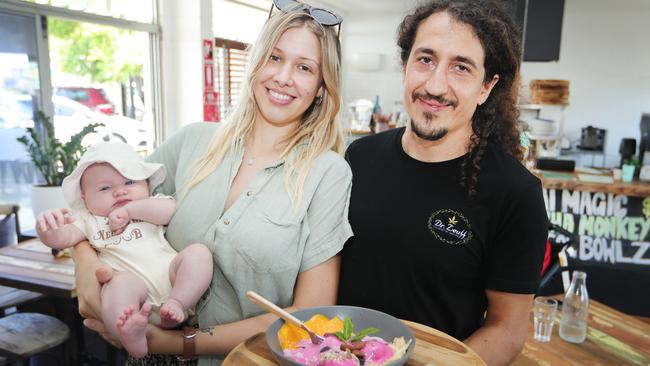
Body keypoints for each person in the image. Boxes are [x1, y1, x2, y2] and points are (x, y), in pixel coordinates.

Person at [73, 2, 351, 365]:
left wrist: (178, 343)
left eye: (304, 67)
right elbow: (101, 200)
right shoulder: (192, 142)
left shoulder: (328, 173)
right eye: (274, 57)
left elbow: (310, 315)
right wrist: (82, 259)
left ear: (320, 86)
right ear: (256, 64)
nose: (283, 77)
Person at [337, 1, 548, 365]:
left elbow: (507, 331)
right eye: (425, 59)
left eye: (461, 68)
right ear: (404, 67)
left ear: (486, 87)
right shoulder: (359, 158)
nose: (435, 85)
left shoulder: (515, 194)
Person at [36, 142, 213, 358]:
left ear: (147, 184)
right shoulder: (89, 220)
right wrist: (47, 228)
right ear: (85, 198)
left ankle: (177, 302)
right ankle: (130, 333)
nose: (120, 192)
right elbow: (64, 238)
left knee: (199, 253)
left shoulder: (150, 206)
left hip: (174, 281)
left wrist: (130, 211)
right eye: (105, 188)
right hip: (134, 301)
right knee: (118, 284)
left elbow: (169, 211)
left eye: (129, 181)